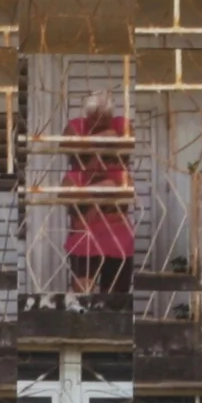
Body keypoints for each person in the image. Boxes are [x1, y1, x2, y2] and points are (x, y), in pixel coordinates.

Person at [62, 90, 134, 295]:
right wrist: (101, 193)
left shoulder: (121, 126)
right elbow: (79, 222)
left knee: (115, 297)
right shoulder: (74, 177)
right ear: (87, 115)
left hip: (118, 239)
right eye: (95, 117)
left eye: (104, 118)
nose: (99, 122)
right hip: (86, 238)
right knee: (82, 294)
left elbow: (128, 142)